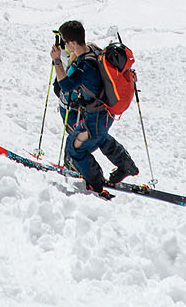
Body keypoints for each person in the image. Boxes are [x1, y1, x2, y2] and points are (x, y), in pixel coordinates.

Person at [51, 20, 140, 195]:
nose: (64, 46)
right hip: (106, 113)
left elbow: (66, 85)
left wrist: (56, 62)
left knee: (74, 148)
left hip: (95, 116)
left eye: (65, 42)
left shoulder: (85, 66)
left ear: (73, 43)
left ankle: (95, 182)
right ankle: (126, 165)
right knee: (100, 138)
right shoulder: (94, 51)